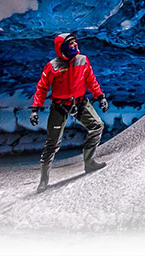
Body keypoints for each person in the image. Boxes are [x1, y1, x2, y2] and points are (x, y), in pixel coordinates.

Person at [29, 31, 111, 192]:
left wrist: (100, 96)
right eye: (70, 43)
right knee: (52, 143)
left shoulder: (83, 60)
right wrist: (35, 109)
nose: (75, 45)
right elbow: (42, 88)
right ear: (62, 47)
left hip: (80, 102)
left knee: (97, 126)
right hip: (60, 106)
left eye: (75, 42)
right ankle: (44, 179)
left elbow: (91, 80)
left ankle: (89, 162)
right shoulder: (52, 66)